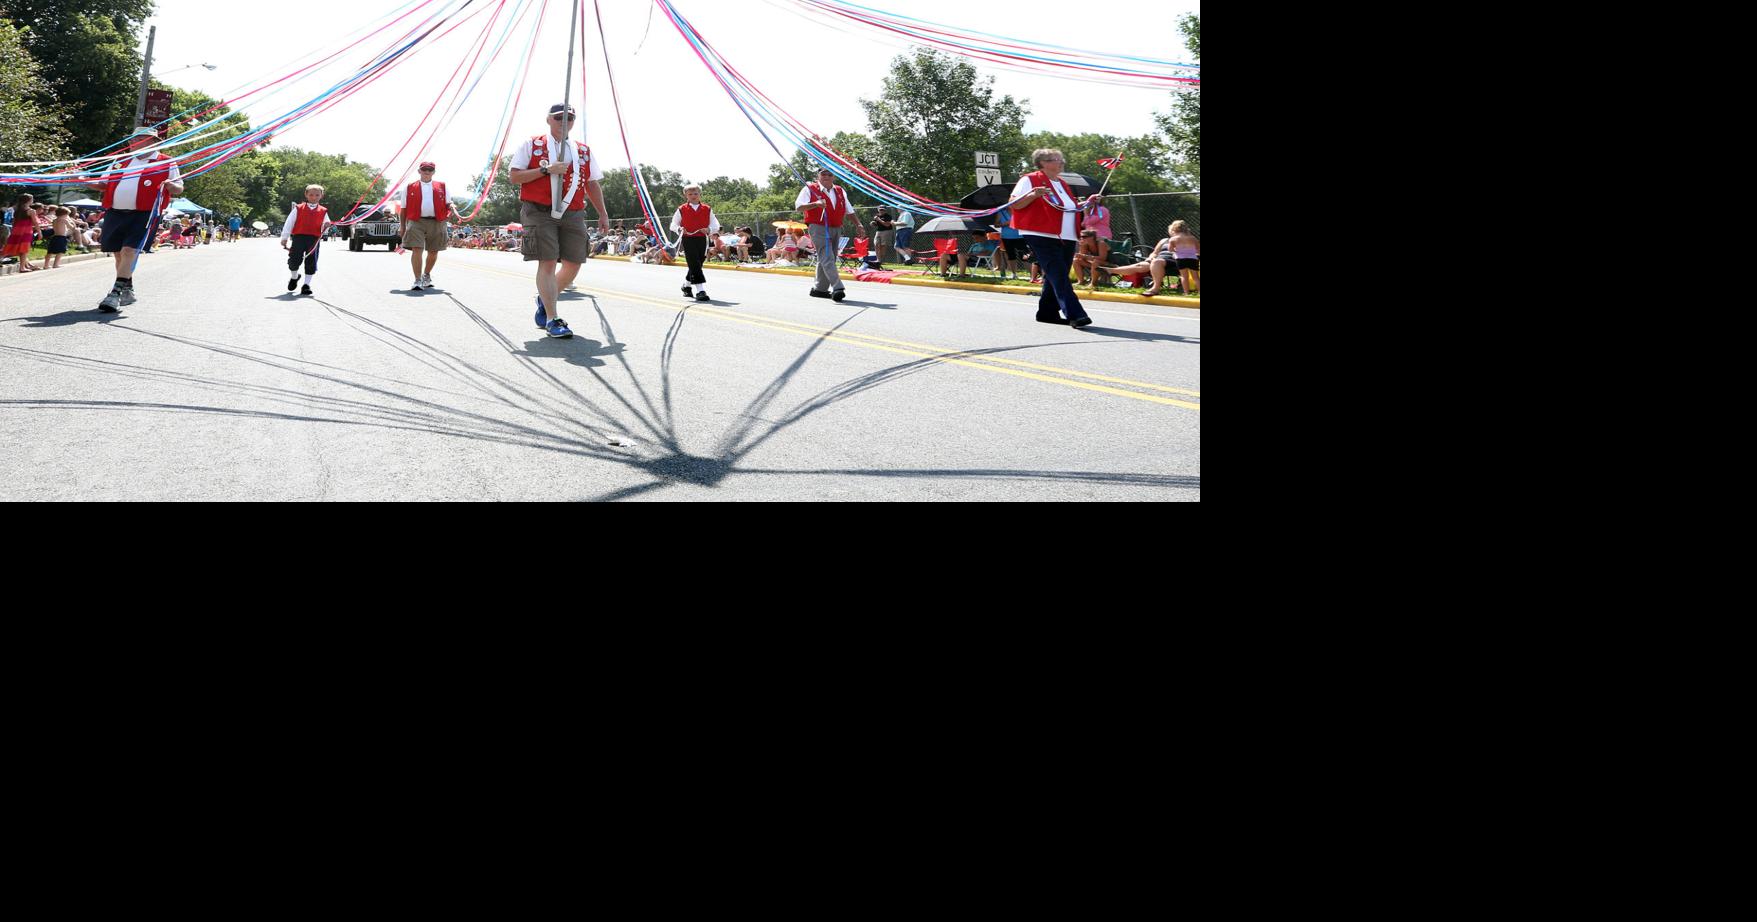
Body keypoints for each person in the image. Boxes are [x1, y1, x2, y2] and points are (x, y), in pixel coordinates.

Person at [508, 103, 611, 339]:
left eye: (570, 118)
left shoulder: (583, 150)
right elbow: (514, 176)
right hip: (539, 210)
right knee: (547, 262)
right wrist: (546, 171)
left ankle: (545, 300)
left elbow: (592, 183)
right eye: (559, 117)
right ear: (548, 120)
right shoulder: (532, 145)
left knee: (574, 262)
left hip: (573, 211)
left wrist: (603, 213)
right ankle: (553, 319)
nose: (564, 122)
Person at [94, 128, 185, 311]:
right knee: (118, 253)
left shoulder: (165, 161)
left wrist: (170, 185)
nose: (133, 142)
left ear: (153, 142)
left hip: (145, 213)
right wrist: (79, 180)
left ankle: (115, 293)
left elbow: (179, 189)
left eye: (140, 138)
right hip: (115, 212)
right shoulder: (121, 161)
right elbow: (103, 184)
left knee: (129, 251)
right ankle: (128, 288)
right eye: (132, 139)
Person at [1008, 148, 1092, 328]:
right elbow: (1014, 203)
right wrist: (1032, 195)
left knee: (1056, 274)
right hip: (1041, 233)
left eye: (1061, 159)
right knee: (1059, 273)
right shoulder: (1029, 180)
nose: (1061, 163)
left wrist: (1086, 203)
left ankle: (1047, 313)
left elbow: (1069, 207)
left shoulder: (1061, 183)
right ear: (1043, 163)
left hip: (1067, 235)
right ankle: (1075, 313)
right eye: (1056, 159)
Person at [796, 167, 866, 302]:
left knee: (829, 258)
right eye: (823, 174)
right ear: (818, 176)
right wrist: (815, 204)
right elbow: (799, 206)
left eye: (829, 174)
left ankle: (820, 289)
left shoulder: (840, 191)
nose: (826, 176)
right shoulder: (809, 189)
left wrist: (858, 224)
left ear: (833, 177)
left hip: (836, 227)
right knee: (827, 256)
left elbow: (849, 210)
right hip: (818, 227)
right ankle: (837, 287)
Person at [399, 161, 450, 290]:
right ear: (419, 171)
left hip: (437, 221)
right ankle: (417, 280)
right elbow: (403, 208)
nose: (427, 172)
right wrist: (403, 226)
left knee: (433, 251)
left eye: (430, 170)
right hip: (416, 221)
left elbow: (448, 204)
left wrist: (452, 212)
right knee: (417, 249)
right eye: (424, 169)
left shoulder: (442, 186)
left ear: (433, 172)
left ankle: (426, 275)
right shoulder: (409, 187)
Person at [280, 184, 332, 296]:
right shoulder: (298, 208)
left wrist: (326, 226)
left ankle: (306, 285)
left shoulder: (323, 211)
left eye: (317, 195)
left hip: (314, 239)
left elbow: (325, 225)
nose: (314, 197)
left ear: (321, 196)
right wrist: (285, 237)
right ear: (306, 195)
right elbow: (289, 222)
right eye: (311, 195)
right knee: (294, 261)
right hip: (299, 237)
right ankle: (294, 277)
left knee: (311, 261)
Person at [670, 184, 719, 301]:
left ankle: (686, 286)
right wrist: (679, 229)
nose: (693, 196)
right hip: (688, 239)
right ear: (686, 195)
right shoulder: (681, 209)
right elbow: (673, 224)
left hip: (702, 239)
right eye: (690, 194)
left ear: (699, 194)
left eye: (695, 193)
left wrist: (709, 229)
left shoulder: (707, 209)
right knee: (694, 263)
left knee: (697, 263)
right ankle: (700, 290)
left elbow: (715, 224)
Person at [4, 195, 40, 272]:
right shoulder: (31, 211)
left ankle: (25, 266)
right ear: (28, 200)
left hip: (16, 231)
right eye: (32, 199)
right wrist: (39, 233)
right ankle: (22, 268)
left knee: (10, 247)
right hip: (26, 232)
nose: (33, 200)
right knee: (24, 250)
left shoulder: (16, 209)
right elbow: (36, 223)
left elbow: (14, 222)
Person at [1168, 219, 1200, 296]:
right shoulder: (1192, 238)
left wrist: (1175, 250)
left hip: (1180, 259)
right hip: (1193, 258)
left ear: (1174, 229)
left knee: (1184, 276)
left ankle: (1186, 292)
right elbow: (1198, 248)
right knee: (1195, 277)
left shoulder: (1173, 239)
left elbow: (1170, 249)